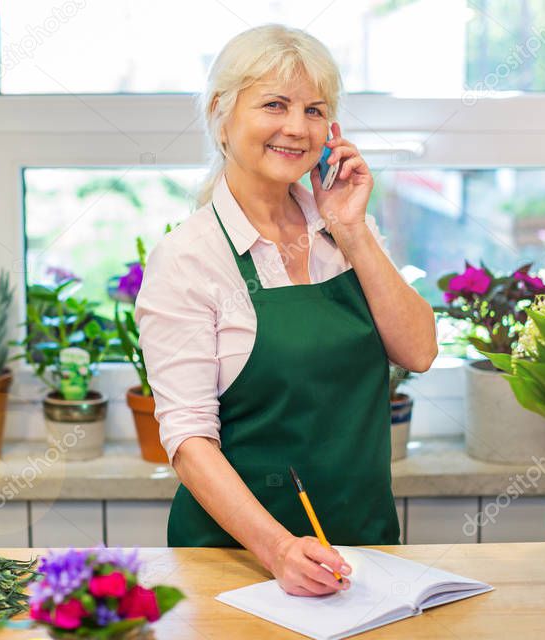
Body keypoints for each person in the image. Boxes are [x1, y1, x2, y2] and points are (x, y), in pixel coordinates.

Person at [134, 24, 438, 597]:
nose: (297, 127)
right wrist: (277, 550)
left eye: (315, 110)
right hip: (236, 564)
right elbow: (189, 440)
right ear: (222, 115)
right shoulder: (189, 259)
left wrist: (352, 230)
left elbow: (419, 350)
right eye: (274, 104)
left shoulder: (346, 229)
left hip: (364, 547)